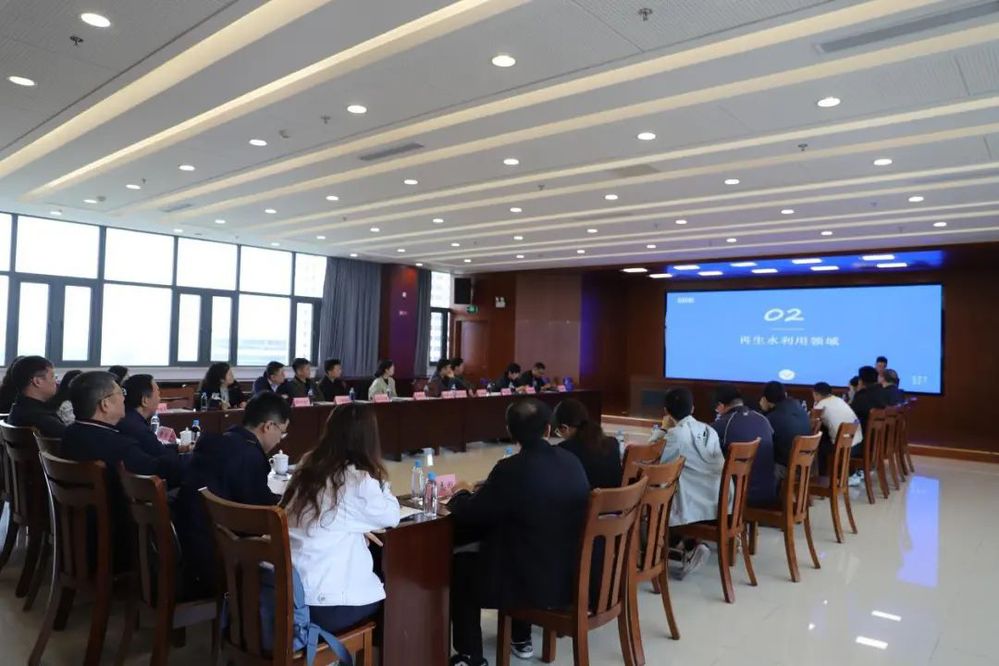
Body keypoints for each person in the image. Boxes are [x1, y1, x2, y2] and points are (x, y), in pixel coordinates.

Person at [448, 399, 590, 665]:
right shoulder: (572, 462)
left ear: (509, 431)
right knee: (525, 542)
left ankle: (469, 655)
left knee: (462, 565)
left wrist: (461, 494)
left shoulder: (510, 469)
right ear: (548, 429)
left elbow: (473, 514)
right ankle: (520, 637)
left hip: (530, 582)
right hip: (571, 574)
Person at [281, 404, 400, 634]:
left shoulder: (308, 466)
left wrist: (356, 527)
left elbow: (335, 515)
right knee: (393, 592)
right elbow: (392, 515)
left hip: (287, 592)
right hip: (322, 604)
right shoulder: (358, 480)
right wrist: (380, 482)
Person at [174, 392, 291, 596]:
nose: (279, 441)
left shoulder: (216, 441)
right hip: (214, 563)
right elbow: (260, 517)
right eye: (281, 433)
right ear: (268, 426)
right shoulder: (249, 455)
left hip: (186, 547)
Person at [61, 372, 182, 566]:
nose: (125, 398)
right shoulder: (117, 445)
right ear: (105, 404)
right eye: (120, 393)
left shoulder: (70, 434)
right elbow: (157, 470)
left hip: (76, 538)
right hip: (116, 540)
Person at [650, 387, 724, 578]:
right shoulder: (710, 430)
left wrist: (663, 429)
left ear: (666, 411)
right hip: (719, 500)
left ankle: (678, 548)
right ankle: (689, 546)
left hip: (693, 504)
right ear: (692, 408)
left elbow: (651, 460)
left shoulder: (675, 435)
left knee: (653, 494)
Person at [711, 384, 777, 507]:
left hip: (739, 497)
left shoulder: (722, 424)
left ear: (720, 405)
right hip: (769, 491)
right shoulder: (763, 419)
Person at [553, 398, 621, 490]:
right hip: (618, 498)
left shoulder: (565, 450)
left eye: (558, 432)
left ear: (565, 428)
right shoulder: (613, 443)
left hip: (586, 499)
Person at [758, 381, 812, 475]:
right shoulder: (797, 406)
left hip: (785, 469)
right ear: (785, 394)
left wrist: (764, 411)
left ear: (765, 399)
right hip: (803, 465)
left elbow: (761, 437)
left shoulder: (773, 417)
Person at [7, 356, 66, 437]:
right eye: (53, 377)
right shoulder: (41, 419)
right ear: (37, 381)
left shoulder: (18, 409)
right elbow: (76, 440)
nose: (56, 382)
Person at [812, 382, 863, 457]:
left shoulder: (820, 406)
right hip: (858, 445)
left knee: (817, 445)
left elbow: (811, 426)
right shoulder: (839, 400)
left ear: (816, 394)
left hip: (843, 448)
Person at [850, 366, 887, 434]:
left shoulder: (862, 396)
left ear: (860, 381)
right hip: (880, 434)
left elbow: (851, 415)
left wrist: (853, 396)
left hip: (863, 435)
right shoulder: (883, 392)